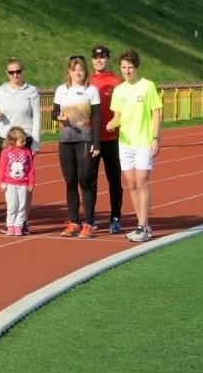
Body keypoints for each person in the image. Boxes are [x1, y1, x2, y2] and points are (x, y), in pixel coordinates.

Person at [106, 48, 162, 242]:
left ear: (136, 67)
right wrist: (112, 123)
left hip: (143, 141)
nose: (126, 71)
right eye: (123, 67)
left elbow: (156, 112)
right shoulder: (119, 90)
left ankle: (142, 226)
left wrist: (155, 137)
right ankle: (143, 225)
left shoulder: (147, 86)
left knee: (142, 181)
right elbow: (117, 117)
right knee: (131, 184)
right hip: (125, 143)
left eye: (130, 67)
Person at [53, 56, 101, 239]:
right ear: (69, 71)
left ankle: (88, 223)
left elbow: (96, 117)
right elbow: (54, 113)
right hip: (65, 140)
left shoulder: (91, 90)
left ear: (85, 71)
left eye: (80, 69)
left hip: (85, 139)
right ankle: (73, 222)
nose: (77, 72)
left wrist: (96, 143)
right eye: (74, 69)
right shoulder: (61, 90)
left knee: (85, 180)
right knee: (70, 181)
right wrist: (59, 118)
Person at [0, 56, 41, 233]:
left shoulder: (31, 91)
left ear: (22, 71)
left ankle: (23, 221)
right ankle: (11, 220)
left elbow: (37, 117)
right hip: (6, 139)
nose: (15, 75)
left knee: (24, 179)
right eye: (11, 72)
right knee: (10, 178)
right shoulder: (1, 90)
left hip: (26, 137)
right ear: (7, 73)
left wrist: (35, 143)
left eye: (18, 71)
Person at [89, 44, 124, 233]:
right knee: (89, 180)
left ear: (108, 59)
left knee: (114, 180)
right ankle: (90, 217)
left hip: (112, 138)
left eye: (102, 57)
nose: (98, 60)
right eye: (95, 57)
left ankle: (115, 218)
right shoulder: (87, 81)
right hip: (92, 138)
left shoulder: (117, 82)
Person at [0, 126, 35, 236]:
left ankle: (19, 226)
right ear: (13, 141)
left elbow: (31, 168)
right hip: (10, 183)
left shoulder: (27, 152)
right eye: (21, 141)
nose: (24, 143)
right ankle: (10, 225)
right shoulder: (6, 152)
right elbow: (2, 167)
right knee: (12, 206)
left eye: (24, 140)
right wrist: (1, 181)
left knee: (21, 206)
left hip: (23, 184)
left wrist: (31, 182)